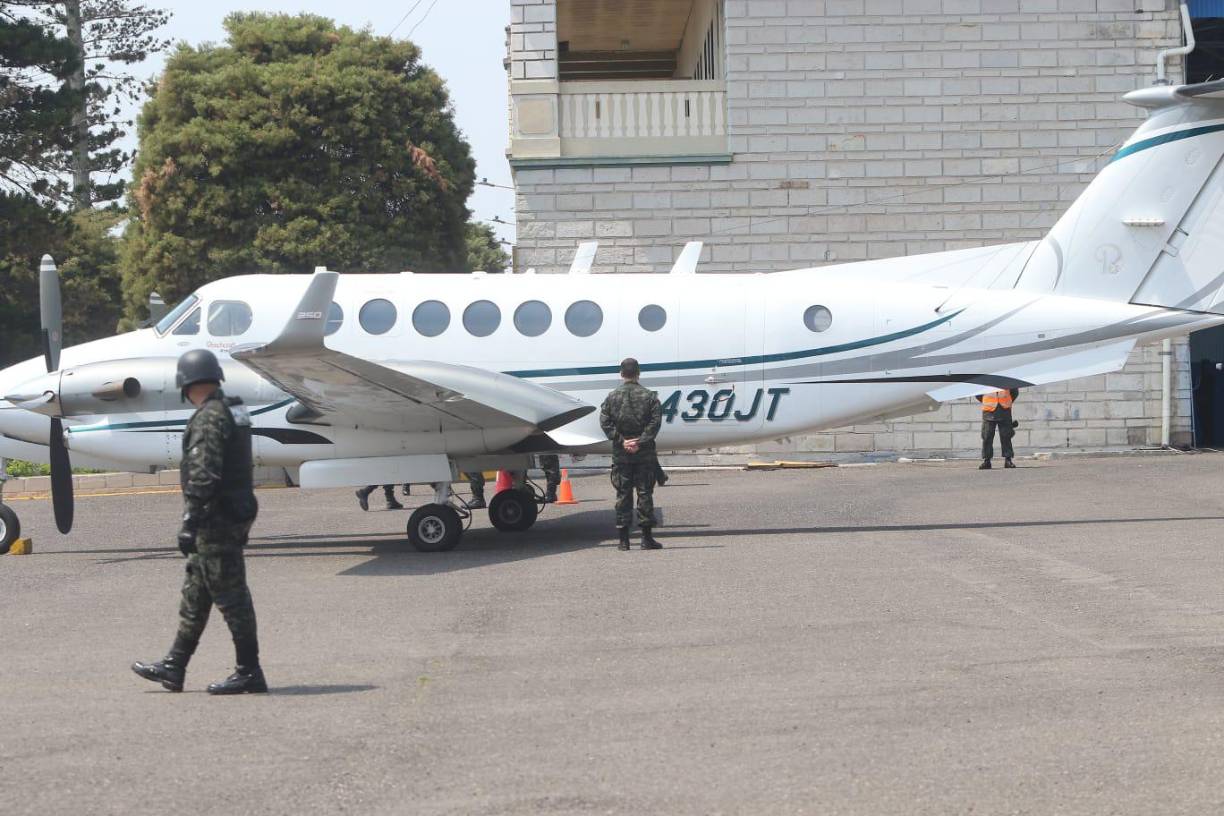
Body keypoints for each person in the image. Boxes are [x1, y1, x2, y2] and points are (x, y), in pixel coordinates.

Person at [132, 349, 266, 695]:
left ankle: (249, 672)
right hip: (231, 511)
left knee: (232, 596)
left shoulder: (209, 417)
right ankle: (174, 667)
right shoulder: (233, 410)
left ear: (186, 385)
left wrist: (190, 521)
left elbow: (204, 474)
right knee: (197, 590)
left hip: (216, 518)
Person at [599, 358, 663, 551]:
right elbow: (655, 423)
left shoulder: (611, 397)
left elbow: (605, 422)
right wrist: (639, 441)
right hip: (644, 454)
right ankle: (646, 538)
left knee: (623, 494)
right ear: (638, 373)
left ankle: (624, 540)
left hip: (621, 454)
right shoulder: (650, 396)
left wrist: (622, 440)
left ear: (621, 374)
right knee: (644, 493)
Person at [976, 387, 1020, 470]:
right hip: (989, 410)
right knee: (987, 436)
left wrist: (1008, 401)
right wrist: (987, 402)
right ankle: (987, 461)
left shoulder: (1007, 378)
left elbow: (1014, 392)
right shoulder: (983, 380)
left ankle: (1008, 460)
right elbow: (978, 394)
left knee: (1006, 436)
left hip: (1004, 409)